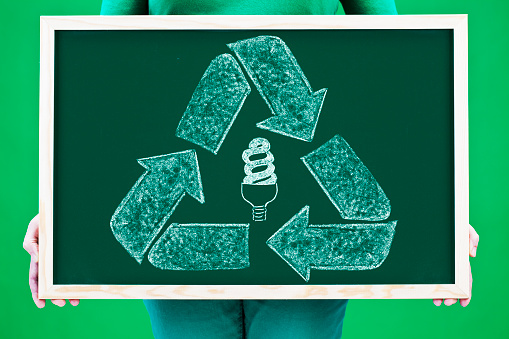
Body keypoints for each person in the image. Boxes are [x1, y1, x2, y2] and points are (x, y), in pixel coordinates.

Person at [23, 0, 480, 338]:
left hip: (311, 203)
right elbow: (103, 71)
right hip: (185, 217)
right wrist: (63, 218)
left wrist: (436, 224)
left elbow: (397, 65)